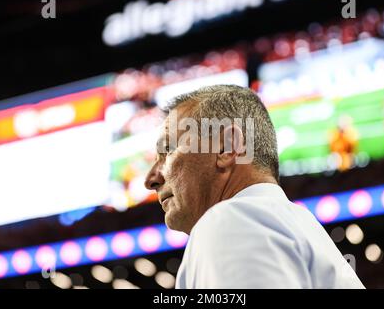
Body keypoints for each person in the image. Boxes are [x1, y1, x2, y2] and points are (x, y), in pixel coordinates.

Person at [144, 84, 365, 288]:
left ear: (227, 148)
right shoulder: (299, 224)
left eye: (168, 150)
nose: (150, 179)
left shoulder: (232, 219)